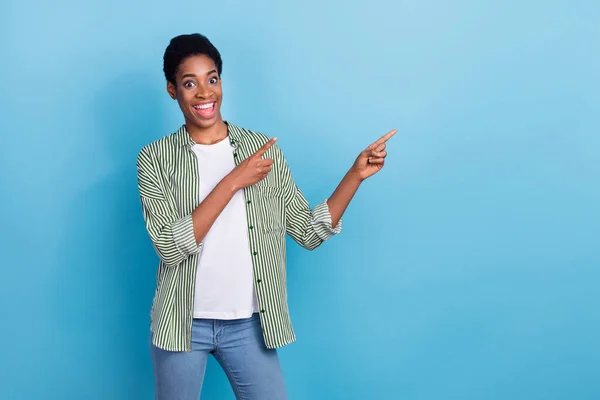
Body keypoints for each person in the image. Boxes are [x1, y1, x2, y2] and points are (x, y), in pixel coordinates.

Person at [136, 33, 396, 400]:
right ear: (171, 90)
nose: (204, 93)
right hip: (181, 323)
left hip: (248, 325)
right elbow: (167, 245)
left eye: (212, 79)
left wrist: (355, 175)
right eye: (189, 83)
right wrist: (232, 181)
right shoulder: (155, 159)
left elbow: (308, 231)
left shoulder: (262, 153)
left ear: (221, 82)